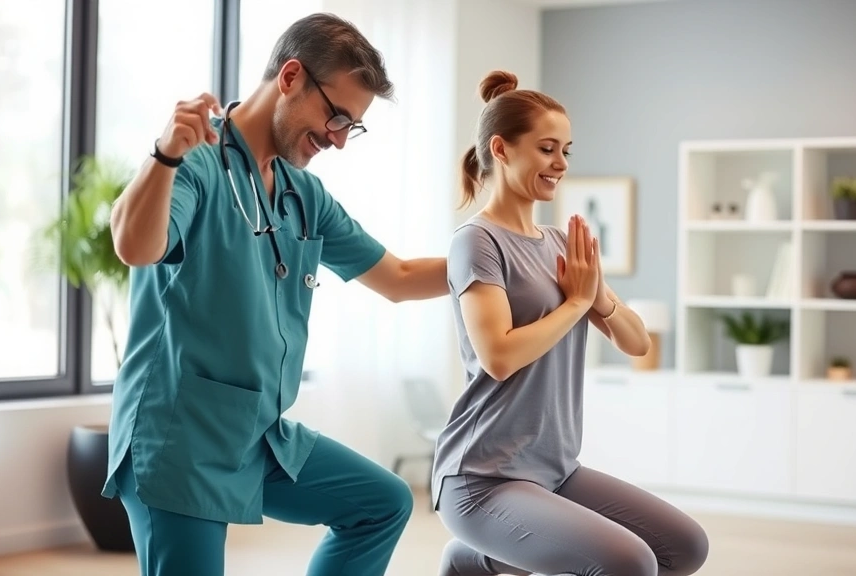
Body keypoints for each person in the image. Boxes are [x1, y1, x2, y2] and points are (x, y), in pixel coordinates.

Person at [102, 13, 448, 576]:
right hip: (179, 440)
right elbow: (135, 246)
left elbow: (401, 277)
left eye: (351, 127)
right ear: (291, 77)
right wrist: (164, 155)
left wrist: (504, 260)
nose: (338, 139)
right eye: (336, 116)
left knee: (381, 504)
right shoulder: (196, 160)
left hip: (257, 433)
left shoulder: (302, 193)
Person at [432, 70, 710, 576]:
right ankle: (484, 552)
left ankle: (479, 561)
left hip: (554, 469)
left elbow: (636, 342)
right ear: (501, 149)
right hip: (482, 476)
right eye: (547, 148)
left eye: (567, 150)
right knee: (629, 564)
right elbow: (498, 357)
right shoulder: (476, 242)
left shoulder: (563, 244)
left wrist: (597, 297)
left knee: (686, 546)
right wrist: (574, 304)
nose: (561, 163)